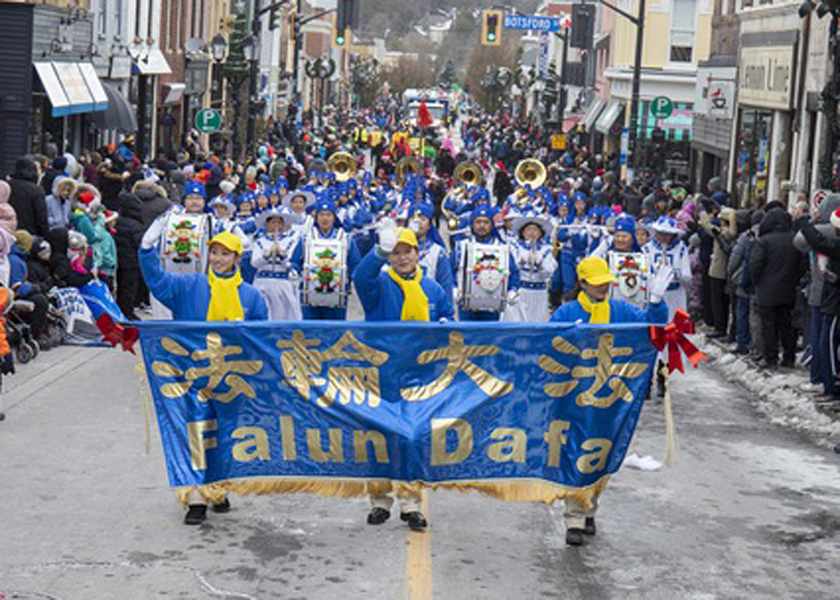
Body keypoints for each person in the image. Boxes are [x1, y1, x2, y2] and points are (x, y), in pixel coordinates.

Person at [139, 228, 268, 525]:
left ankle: (218, 489)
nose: (219, 259)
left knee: (224, 435)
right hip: (192, 376)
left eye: (226, 254)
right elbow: (157, 281)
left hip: (231, 381)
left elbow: (262, 339)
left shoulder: (250, 295)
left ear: (237, 258)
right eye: (215, 252)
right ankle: (195, 497)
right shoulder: (190, 286)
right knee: (193, 433)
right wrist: (147, 249)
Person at [550, 256, 671, 546]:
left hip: (612, 399)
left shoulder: (620, 310)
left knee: (602, 454)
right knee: (575, 452)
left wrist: (656, 302)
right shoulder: (567, 312)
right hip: (574, 397)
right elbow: (549, 343)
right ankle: (574, 518)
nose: (603, 287)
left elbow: (653, 329)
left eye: (606, 282)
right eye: (596, 283)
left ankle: (589, 504)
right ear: (582, 283)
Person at [353, 221, 453, 530]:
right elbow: (361, 276)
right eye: (395, 253)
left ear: (417, 253)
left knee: (413, 438)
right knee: (380, 436)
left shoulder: (433, 289)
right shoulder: (380, 285)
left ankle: (411, 503)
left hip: (419, 375)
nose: (401, 258)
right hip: (382, 373)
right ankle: (380, 501)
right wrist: (377, 253)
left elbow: (448, 321)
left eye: (406, 251)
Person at [750, 207, 808, 369]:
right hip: (788, 289)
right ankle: (789, 357)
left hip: (766, 291)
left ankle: (771, 357)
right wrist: (794, 278)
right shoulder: (794, 239)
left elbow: (755, 265)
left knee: (769, 326)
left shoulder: (764, 241)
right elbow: (802, 264)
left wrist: (758, 282)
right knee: (787, 326)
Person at [251, 206, 303, 320]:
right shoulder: (260, 241)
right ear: (267, 224)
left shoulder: (290, 241)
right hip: (262, 283)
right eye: (273, 222)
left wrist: (282, 256)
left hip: (282, 283)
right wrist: (267, 255)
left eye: (279, 223)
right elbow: (254, 263)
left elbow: (291, 263)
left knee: (284, 316)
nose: (276, 226)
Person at [502, 215, 557, 322]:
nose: (532, 233)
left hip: (539, 294)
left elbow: (550, 270)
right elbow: (510, 267)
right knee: (517, 322)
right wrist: (522, 259)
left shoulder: (546, 249)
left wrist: (540, 262)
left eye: (535, 229)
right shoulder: (514, 246)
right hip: (520, 292)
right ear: (522, 232)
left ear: (541, 233)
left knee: (538, 324)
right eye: (528, 229)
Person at [8, 157, 49, 237]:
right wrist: (45, 234)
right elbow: (41, 216)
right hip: (30, 234)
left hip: (8, 232)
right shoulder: (37, 190)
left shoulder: (7, 186)